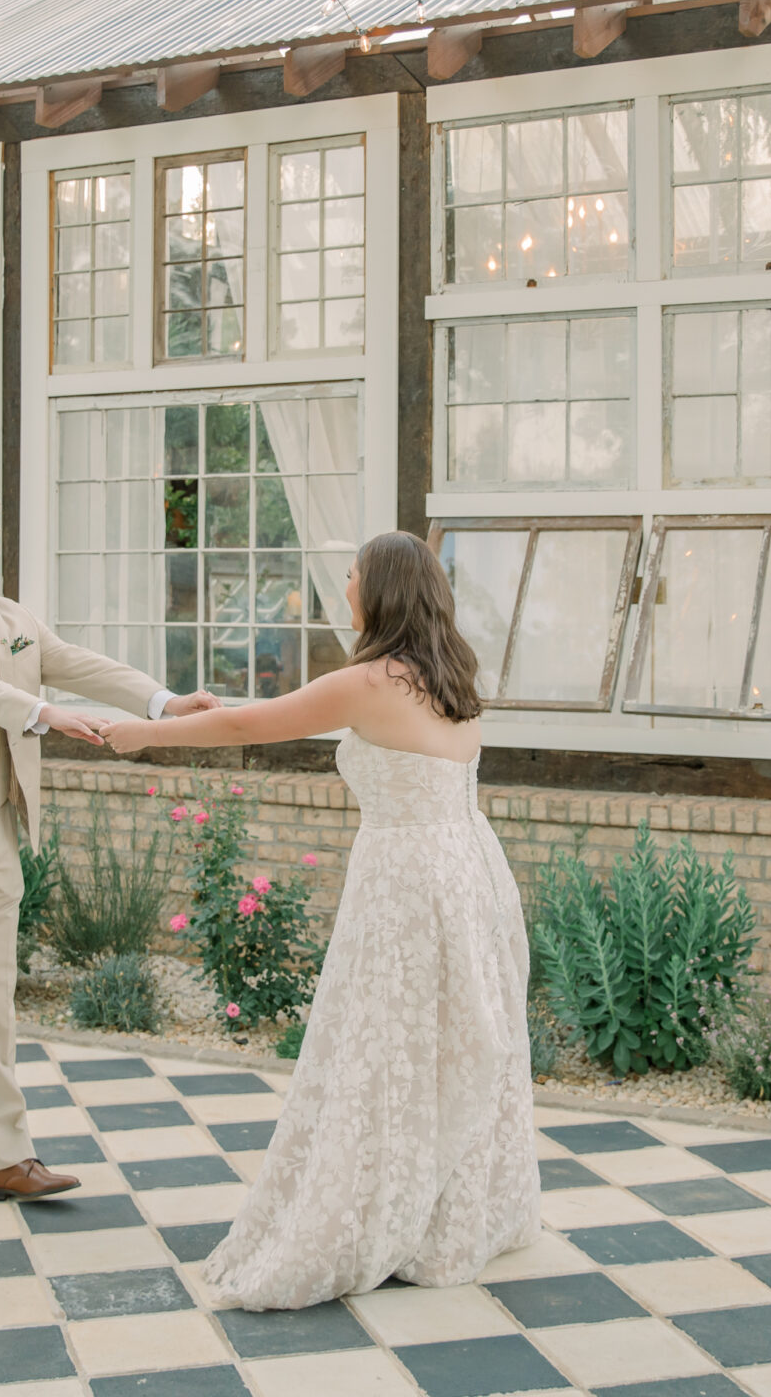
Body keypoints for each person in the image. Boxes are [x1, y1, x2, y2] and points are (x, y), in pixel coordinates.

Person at [106, 530, 538, 1309]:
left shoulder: (370, 681)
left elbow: (248, 725)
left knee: (385, 1046)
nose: (344, 588)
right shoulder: (453, 674)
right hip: (469, 870)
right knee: (443, 1042)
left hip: (408, 880)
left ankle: (379, 1213)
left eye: (351, 577)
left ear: (381, 593)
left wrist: (149, 733)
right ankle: (445, 1213)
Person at [0, 480, 215, 1208]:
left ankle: (7, 1157)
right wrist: (44, 713)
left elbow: (82, 664)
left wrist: (163, 702)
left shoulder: (13, 619)